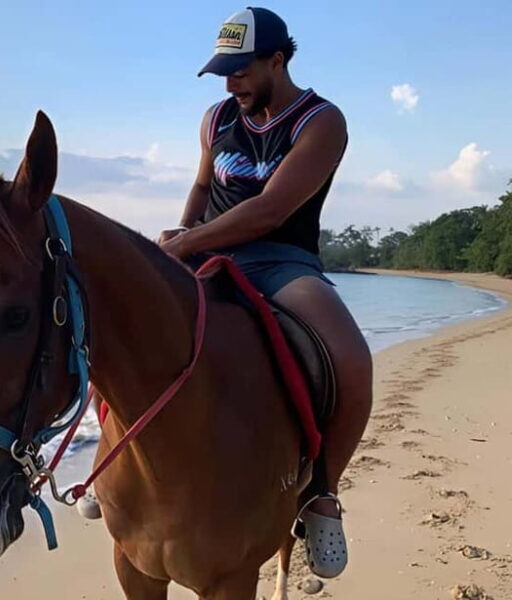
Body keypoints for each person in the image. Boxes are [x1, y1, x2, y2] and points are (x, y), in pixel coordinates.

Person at [157, 7, 372, 579]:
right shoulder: (215, 118)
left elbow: (272, 209)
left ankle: (321, 494)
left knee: (351, 361)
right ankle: (114, 465)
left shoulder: (321, 122)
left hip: (281, 261)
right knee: (130, 322)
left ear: (278, 60)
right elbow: (203, 186)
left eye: (242, 71)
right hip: (206, 253)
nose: (232, 83)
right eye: (224, 72)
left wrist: (185, 245)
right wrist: (180, 245)